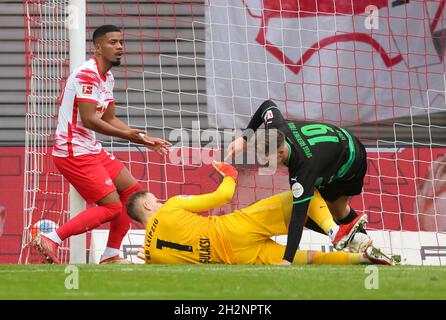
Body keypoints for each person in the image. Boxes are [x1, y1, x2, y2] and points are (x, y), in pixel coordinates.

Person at [32, 25, 171, 264]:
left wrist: (142, 138)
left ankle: (110, 255)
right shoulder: (87, 74)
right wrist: (128, 136)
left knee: (133, 194)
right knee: (112, 207)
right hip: (72, 150)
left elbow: (108, 117)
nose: (119, 47)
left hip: (90, 147)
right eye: (112, 42)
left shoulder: (108, 77)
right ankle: (51, 238)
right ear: (98, 47)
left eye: (121, 42)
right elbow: (90, 119)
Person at [127, 162, 396, 265]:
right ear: (149, 206)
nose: (160, 201)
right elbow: (223, 196)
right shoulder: (171, 207)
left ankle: (363, 260)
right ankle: (335, 231)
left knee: (307, 259)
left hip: (237, 258)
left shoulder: (152, 256)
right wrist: (230, 175)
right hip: (235, 228)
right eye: (156, 200)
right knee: (303, 192)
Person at [226, 99, 372, 265]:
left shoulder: (303, 170)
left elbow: (297, 216)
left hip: (351, 160)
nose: (263, 163)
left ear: (280, 153)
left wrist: (287, 260)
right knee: (323, 208)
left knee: (335, 211)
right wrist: (244, 139)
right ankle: (358, 243)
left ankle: (354, 241)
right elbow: (267, 105)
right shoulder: (276, 130)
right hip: (336, 143)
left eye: (266, 160)